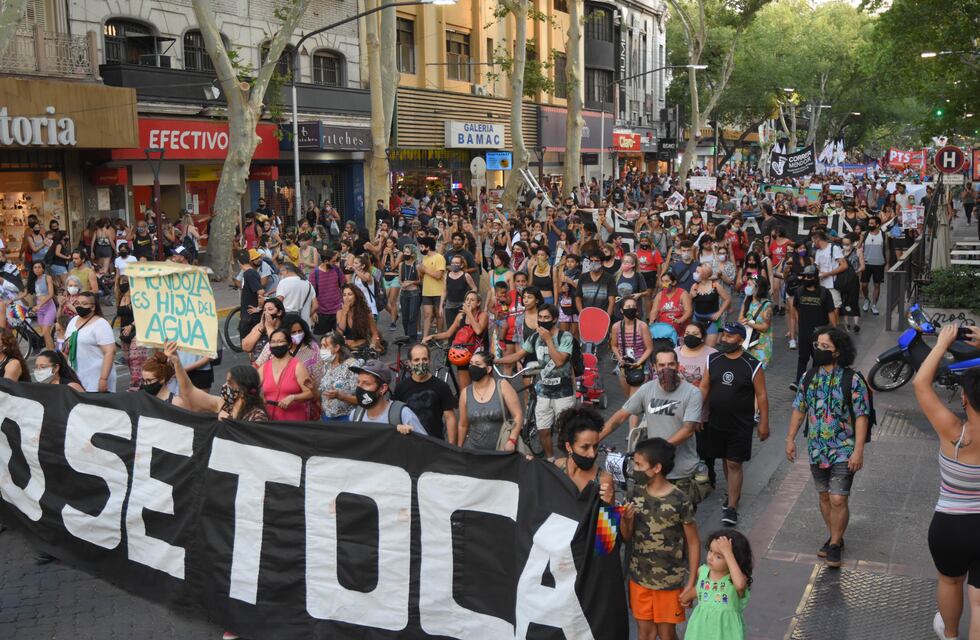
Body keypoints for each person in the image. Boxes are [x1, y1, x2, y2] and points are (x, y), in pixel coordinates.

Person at [913, 325, 980, 640]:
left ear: (964, 398)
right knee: (979, 601)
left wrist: (941, 344)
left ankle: (951, 635)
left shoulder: (952, 431)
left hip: (950, 525)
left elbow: (921, 383)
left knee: (950, 582)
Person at [785, 327, 869, 569]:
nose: (819, 350)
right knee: (823, 496)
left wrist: (858, 450)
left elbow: (862, 416)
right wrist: (790, 439)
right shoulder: (808, 377)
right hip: (816, 449)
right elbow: (799, 409)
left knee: (837, 498)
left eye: (825, 347)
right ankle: (836, 535)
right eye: (817, 345)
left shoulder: (852, 380)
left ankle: (833, 545)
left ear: (837, 352)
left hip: (844, 448)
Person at [621, 437, 701, 640]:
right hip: (639, 578)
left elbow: (693, 542)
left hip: (670, 582)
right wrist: (626, 521)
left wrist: (691, 583)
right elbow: (627, 536)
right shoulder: (634, 493)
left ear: (657, 468)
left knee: (667, 634)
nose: (634, 469)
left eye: (639, 464)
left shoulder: (679, 499)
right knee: (645, 633)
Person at [600, 348, 702, 501]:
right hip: (651, 470)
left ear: (678, 365)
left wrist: (656, 451)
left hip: (680, 470)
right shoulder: (647, 389)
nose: (666, 369)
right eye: (661, 365)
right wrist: (596, 438)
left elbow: (688, 430)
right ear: (654, 367)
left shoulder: (692, 393)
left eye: (671, 364)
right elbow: (620, 416)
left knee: (680, 521)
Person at [700, 323, 769, 527]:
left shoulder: (752, 364)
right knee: (725, 459)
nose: (723, 339)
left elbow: (762, 395)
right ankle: (731, 493)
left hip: (741, 424)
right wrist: (695, 414)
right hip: (716, 421)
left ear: (740, 339)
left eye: (729, 337)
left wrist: (764, 422)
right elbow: (704, 388)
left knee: (734, 463)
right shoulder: (713, 359)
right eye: (723, 335)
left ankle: (731, 506)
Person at [497, 304, 574, 460]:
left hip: (563, 393)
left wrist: (548, 340)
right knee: (543, 429)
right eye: (540, 317)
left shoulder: (565, 337)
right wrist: (496, 359)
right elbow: (518, 355)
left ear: (555, 319)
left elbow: (559, 361)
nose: (542, 321)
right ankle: (550, 458)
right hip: (543, 392)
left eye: (546, 318)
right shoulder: (534, 338)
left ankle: (569, 461)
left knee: (564, 431)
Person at [683, 531, 754, 640]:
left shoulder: (736, 579)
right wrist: (687, 597)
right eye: (710, 551)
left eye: (719, 556)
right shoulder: (703, 571)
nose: (710, 557)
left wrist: (728, 553)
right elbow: (702, 589)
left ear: (734, 560)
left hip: (726, 632)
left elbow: (740, 586)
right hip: (701, 629)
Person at [457, 351, 523, 450]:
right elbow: (463, 425)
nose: (472, 367)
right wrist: (459, 448)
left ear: (488, 369)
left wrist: (512, 440)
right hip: (474, 451)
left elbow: (518, 415)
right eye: (471, 364)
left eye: (478, 364)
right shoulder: (465, 393)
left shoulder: (503, 386)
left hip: (501, 449)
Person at [393, 342, 458, 441]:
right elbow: (395, 414)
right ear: (409, 363)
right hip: (409, 442)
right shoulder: (401, 387)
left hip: (435, 443)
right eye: (416, 360)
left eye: (424, 359)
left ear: (429, 361)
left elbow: (450, 418)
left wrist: (452, 447)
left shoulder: (442, 387)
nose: (421, 363)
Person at [425, 290, 488, 390]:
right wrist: (432, 336)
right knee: (465, 389)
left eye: (472, 300)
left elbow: (478, 330)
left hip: (479, 356)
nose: (468, 302)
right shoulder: (460, 316)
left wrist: (469, 313)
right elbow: (448, 333)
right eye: (467, 299)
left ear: (478, 303)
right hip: (463, 355)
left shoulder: (483, 315)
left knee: (481, 388)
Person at [554, 405, 615, 505]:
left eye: (595, 446)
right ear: (569, 447)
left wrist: (608, 504)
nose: (592, 454)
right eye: (585, 447)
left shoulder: (604, 480)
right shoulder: (557, 467)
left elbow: (609, 521)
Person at [790, 265, 838, 388]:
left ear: (815, 277)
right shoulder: (799, 291)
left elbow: (831, 313)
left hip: (819, 335)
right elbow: (794, 307)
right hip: (804, 333)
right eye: (805, 276)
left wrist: (834, 332)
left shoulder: (824, 292)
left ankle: (814, 383)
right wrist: (797, 323)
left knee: (818, 360)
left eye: (810, 276)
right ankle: (799, 382)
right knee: (802, 358)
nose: (807, 278)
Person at [347, 359, 425, 434]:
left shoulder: (403, 415)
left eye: (366, 383)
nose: (359, 387)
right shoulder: (355, 416)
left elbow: (426, 444)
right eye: (358, 382)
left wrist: (408, 435)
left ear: (382, 388)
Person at [610, 296, 654, 427]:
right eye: (628, 307)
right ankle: (645, 414)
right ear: (622, 310)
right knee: (630, 399)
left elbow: (650, 348)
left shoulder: (642, 326)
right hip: (624, 365)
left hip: (640, 365)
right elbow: (614, 345)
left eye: (633, 307)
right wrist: (619, 358)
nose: (631, 309)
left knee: (633, 401)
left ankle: (632, 433)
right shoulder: (616, 327)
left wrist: (639, 362)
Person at [63, 292, 116, 392]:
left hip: (96, 378)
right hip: (76, 377)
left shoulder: (101, 324)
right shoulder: (73, 321)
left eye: (84, 303)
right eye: (77, 303)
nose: (79, 306)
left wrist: (103, 379)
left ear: (92, 307)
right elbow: (66, 348)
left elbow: (110, 352)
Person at [258, 327, 315, 422]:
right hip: (271, 422)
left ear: (288, 345)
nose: (276, 345)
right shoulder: (264, 367)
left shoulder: (298, 366)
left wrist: (293, 397)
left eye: (280, 341)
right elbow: (251, 388)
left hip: (293, 422)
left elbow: (310, 393)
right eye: (273, 342)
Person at [317, 331, 359, 421]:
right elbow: (322, 395)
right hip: (327, 417)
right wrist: (312, 387)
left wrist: (341, 396)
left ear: (336, 347)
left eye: (325, 346)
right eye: (321, 346)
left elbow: (360, 398)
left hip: (346, 418)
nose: (322, 349)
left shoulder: (351, 366)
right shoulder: (326, 366)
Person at [337, 283, 382, 359]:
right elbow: (339, 333)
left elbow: (375, 333)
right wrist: (344, 313)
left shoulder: (365, 313)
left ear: (356, 296)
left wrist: (373, 346)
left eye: (350, 294)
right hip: (347, 350)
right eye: (344, 295)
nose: (346, 298)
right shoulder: (340, 313)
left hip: (362, 348)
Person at [690, 263, 731, 347]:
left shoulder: (715, 285)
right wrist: (691, 295)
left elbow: (727, 299)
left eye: (697, 272)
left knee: (709, 347)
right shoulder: (695, 286)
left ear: (704, 274)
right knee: (695, 345)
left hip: (712, 320)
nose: (695, 274)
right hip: (697, 318)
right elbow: (688, 300)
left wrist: (719, 313)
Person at [738, 276, 773, 369]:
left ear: (758, 288)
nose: (747, 287)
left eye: (750, 285)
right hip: (747, 343)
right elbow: (740, 318)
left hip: (761, 345)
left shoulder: (767, 305)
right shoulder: (747, 300)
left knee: (757, 372)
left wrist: (749, 323)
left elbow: (765, 327)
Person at [310, 249, 345, 335]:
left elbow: (343, 285)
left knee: (339, 337)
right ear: (326, 261)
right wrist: (313, 311)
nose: (335, 263)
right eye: (333, 261)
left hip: (337, 309)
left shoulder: (337, 269)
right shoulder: (315, 273)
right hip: (322, 312)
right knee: (323, 339)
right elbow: (311, 294)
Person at [417, 236, 446, 339]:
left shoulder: (439, 257)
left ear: (428, 247)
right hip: (426, 292)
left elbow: (438, 275)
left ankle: (440, 337)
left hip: (438, 292)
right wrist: (420, 271)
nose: (421, 249)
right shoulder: (424, 259)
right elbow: (422, 277)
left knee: (439, 315)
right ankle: (425, 338)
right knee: (427, 315)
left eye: (422, 246)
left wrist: (424, 269)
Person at [242, 298, 285, 364]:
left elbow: (279, 349)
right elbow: (246, 347)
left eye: (270, 309)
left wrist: (269, 327)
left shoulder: (284, 329)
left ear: (279, 312)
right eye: (264, 310)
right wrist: (260, 329)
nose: (266, 313)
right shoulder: (260, 326)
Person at [440, 254, 477, 329]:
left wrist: (468, 300)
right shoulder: (446, 276)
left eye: (457, 263)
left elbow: (474, 288)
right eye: (452, 263)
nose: (454, 265)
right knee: (450, 328)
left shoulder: (465, 275)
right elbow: (444, 291)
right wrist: (441, 306)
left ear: (462, 265)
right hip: (449, 306)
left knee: (461, 329)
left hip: (462, 306)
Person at [860, 216, 887, 316]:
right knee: (864, 285)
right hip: (866, 263)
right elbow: (858, 247)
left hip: (879, 264)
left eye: (872, 223)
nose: (869, 225)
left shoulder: (883, 235)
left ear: (877, 225)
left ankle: (874, 305)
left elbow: (886, 249)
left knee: (877, 285)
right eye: (869, 223)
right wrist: (861, 238)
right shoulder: (865, 234)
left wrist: (886, 263)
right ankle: (867, 300)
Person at [25, 260, 56, 350]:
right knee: (44, 333)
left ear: (43, 269)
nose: (37, 269)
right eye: (35, 267)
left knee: (46, 332)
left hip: (49, 307)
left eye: (39, 267)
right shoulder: (32, 280)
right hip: (39, 309)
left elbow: (50, 294)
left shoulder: (47, 277)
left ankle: (52, 353)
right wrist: (13, 299)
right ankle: (50, 351)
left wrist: (39, 305)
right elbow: (25, 293)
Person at [576, 250, 617, 317]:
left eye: (596, 261)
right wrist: (582, 314)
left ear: (602, 262)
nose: (593, 263)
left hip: (602, 315)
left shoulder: (609, 278)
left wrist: (607, 318)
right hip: (587, 315)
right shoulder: (583, 277)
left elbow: (612, 301)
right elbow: (578, 298)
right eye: (591, 261)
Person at [275, 262, 316, 326]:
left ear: (286, 271)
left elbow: (278, 303)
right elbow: (315, 305)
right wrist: (306, 316)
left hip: (288, 323)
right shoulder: (308, 283)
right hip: (305, 324)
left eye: (281, 273)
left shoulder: (284, 282)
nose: (281, 275)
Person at [838, 233, 864, 333]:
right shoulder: (840, 252)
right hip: (842, 280)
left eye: (847, 244)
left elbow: (862, 266)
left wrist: (855, 272)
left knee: (854, 300)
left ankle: (856, 323)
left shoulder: (858, 251)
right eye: (843, 243)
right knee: (844, 300)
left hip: (853, 280)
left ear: (853, 243)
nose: (845, 245)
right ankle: (846, 323)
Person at [236, 249, 264, 338]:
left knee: (248, 344)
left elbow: (261, 292)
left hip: (251, 317)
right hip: (248, 315)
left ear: (238, 262)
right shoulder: (248, 273)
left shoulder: (250, 273)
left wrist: (259, 308)